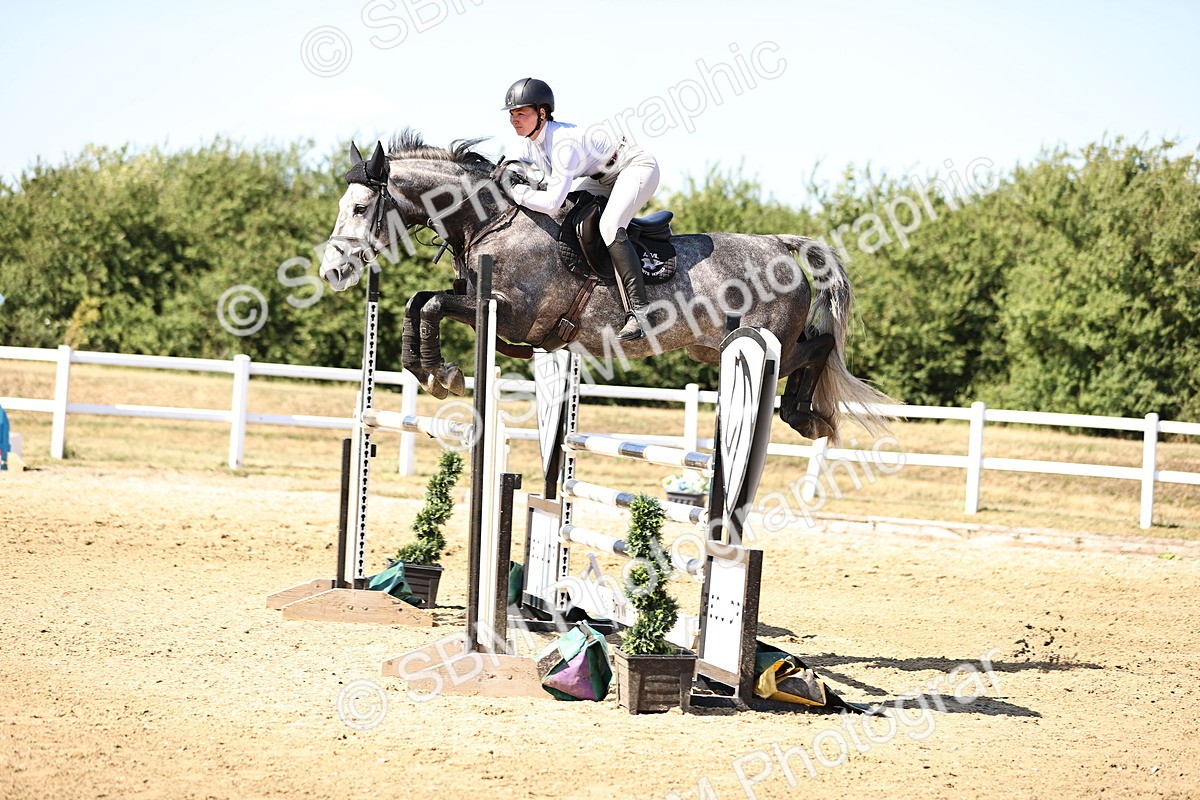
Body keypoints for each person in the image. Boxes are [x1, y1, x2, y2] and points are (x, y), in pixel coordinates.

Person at [501, 77, 660, 341]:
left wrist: (518, 193)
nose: (514, 119)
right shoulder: (530, 142)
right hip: (602, 176)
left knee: (610, 225)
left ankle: (641, 313)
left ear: (542, 113)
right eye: (511, 113)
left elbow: (551, 201)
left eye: (521, 113)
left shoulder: (563, 144)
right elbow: (513, 166)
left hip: (634, 167)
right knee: (571, 214)